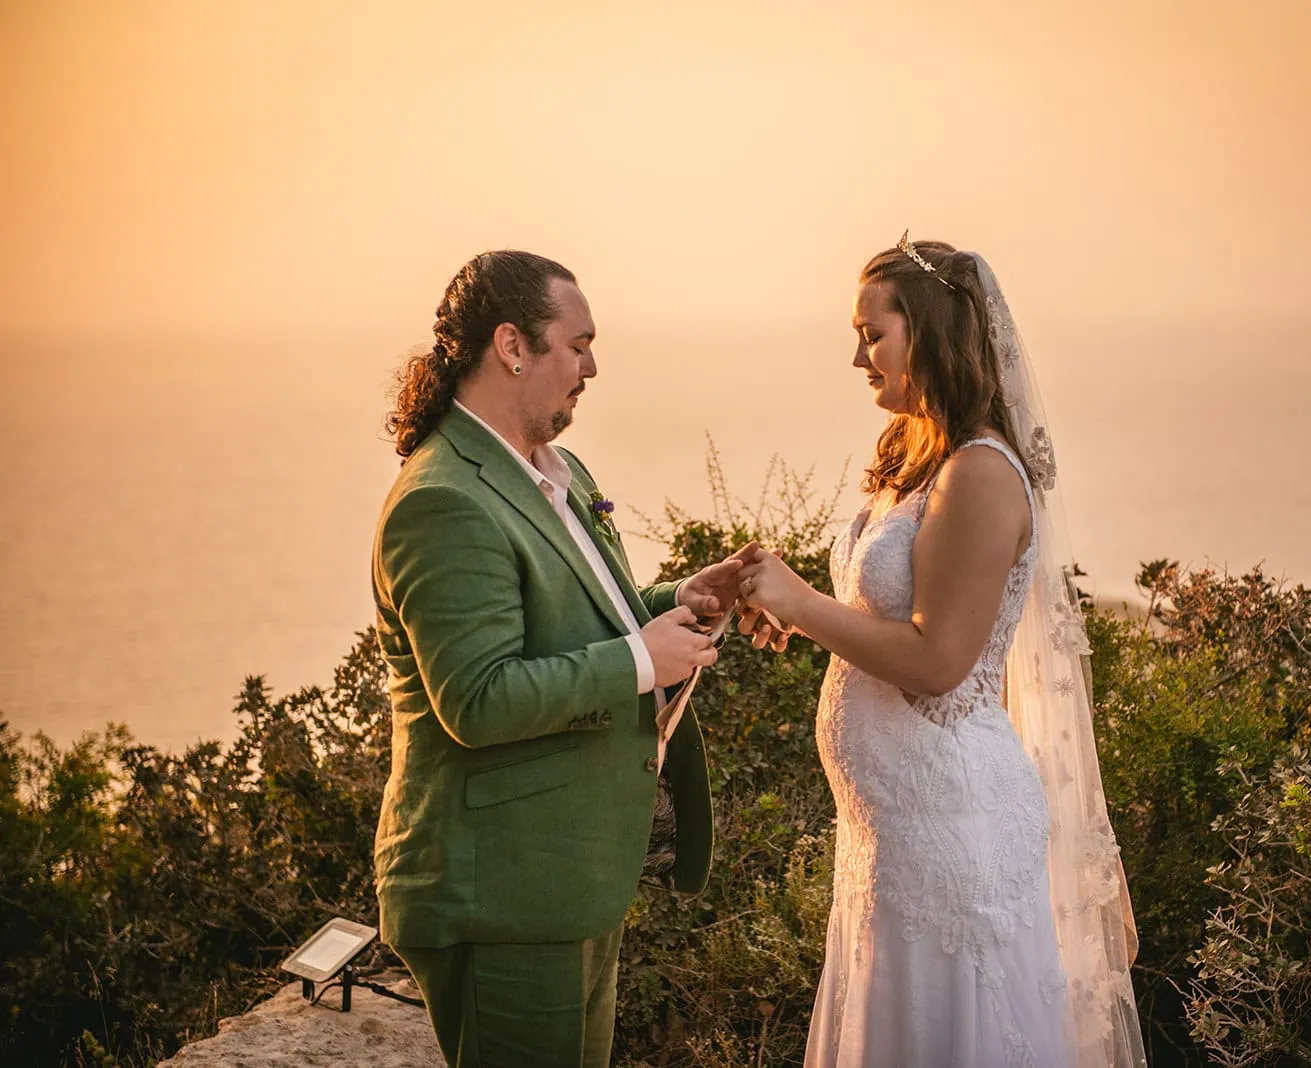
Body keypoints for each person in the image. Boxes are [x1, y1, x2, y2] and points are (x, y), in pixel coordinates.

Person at [736, 235, 1147, 1067]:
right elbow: (883, 619)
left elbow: (937, 662)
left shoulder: (982, 473)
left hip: (953, 828)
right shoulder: (918, 459)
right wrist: (794, 610)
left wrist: (805, 606)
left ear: (925, 331)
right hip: (893, 831)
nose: (858, 355)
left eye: (873, 332)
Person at [370, 250, 759, 1067]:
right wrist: (639, 659)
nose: (592, 367)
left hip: (574, 880)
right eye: (577, 345)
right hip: (502, 894)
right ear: (513, 347)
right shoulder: (444, 499)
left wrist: (679, 599)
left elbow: (580, 623)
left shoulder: (559, 470)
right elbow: (476, 699)